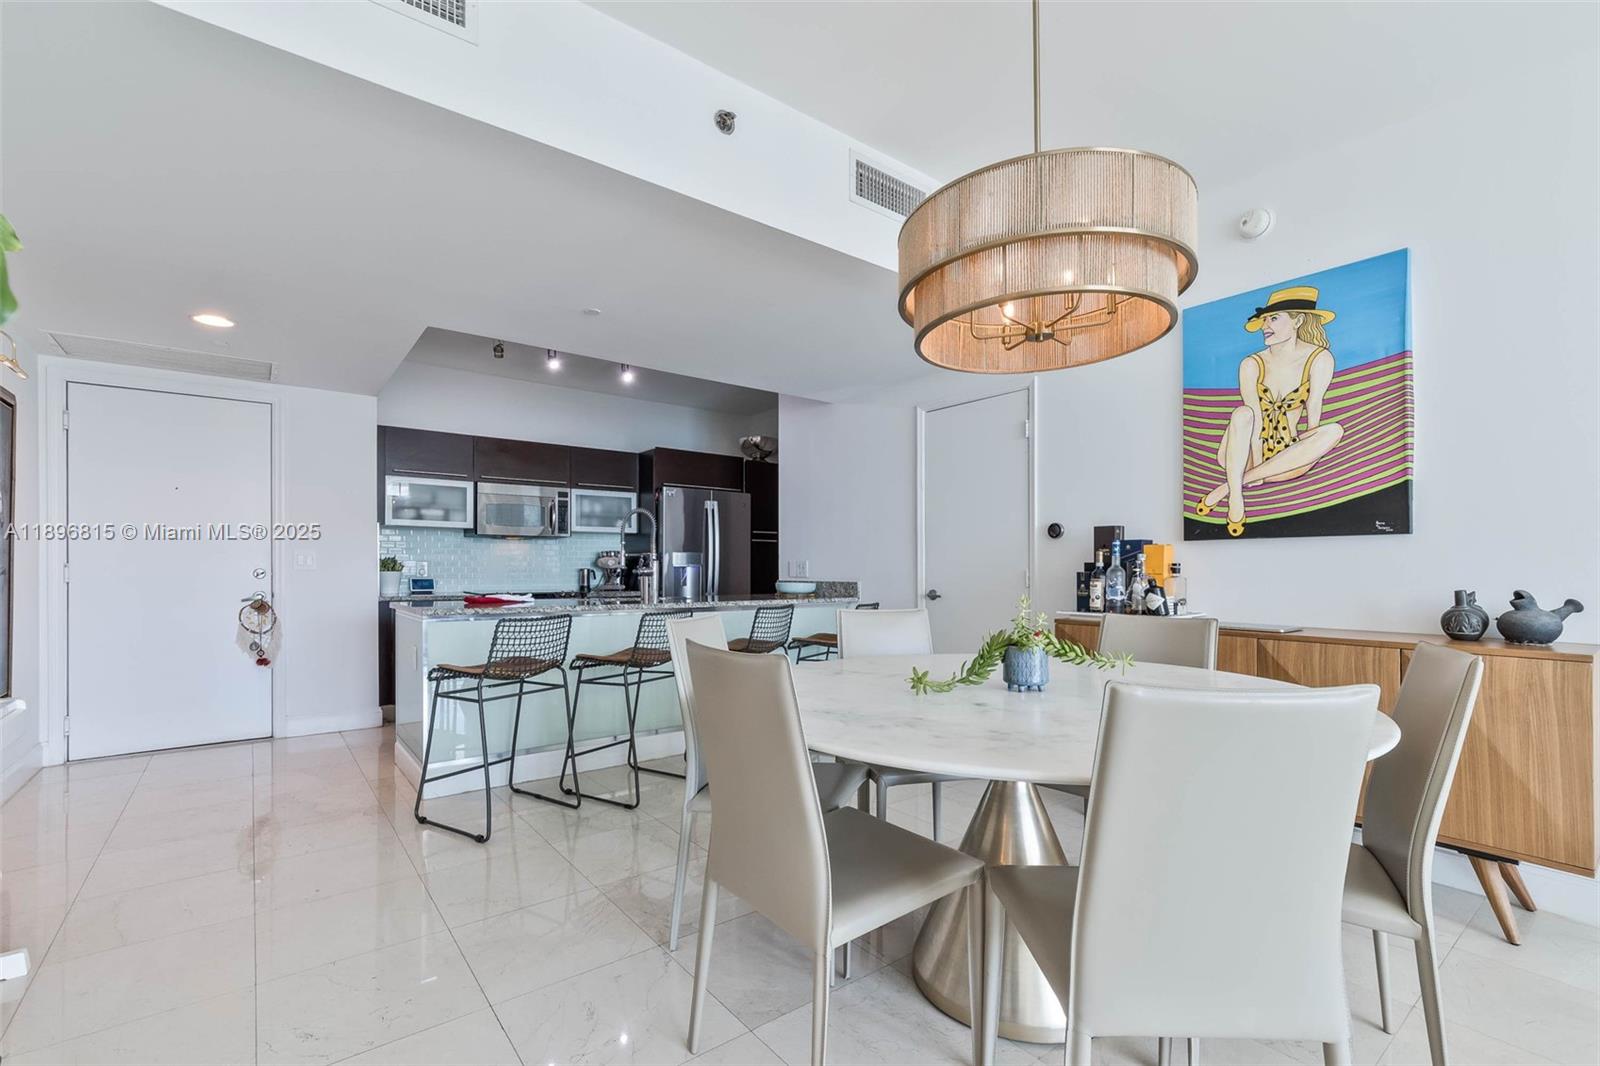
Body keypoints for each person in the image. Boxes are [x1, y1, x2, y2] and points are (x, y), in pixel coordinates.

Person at [1195, 285, 1345, 536]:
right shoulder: (1251, 364)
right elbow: (1254, 417)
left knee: (1334, 431)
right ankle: (1236, 501)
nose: (1266, 325)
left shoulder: (1320, 358)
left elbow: (1314, 408)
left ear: (1297, 320)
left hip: (1287, 457)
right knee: (1243, 413)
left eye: (1274, 318)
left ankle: (1225, 489)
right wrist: (1258, 461)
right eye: (1264, 319)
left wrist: (1307, 452)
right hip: (1243, 453)